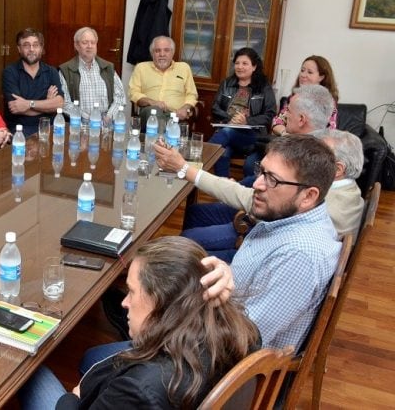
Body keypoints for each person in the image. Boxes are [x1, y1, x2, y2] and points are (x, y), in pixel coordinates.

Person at [18, 237, 259, 409]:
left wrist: (74, 398)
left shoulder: (138, 389)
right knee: (93, 357)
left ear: (161, 301)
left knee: (28, 369)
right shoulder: (245, 335)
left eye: (132, 292)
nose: (124, 302)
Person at [158, 134, 340, 349]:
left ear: (308, 196)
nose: (257, 184)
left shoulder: (300, 254)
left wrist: (175, 325)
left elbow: (246, 339)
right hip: (225, 311)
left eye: (273, 179)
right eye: (261, 172)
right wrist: (226, 271)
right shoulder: (287, 216)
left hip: (217, 351)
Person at [155, 128, 365, 261]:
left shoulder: (303, 248)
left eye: (322, 156)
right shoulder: (349, 194)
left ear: (337, 169)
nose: (312, 159)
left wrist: (183, 168)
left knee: (177, 255)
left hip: (254, 247)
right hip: (256, 242)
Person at [208, 47, 277, 177]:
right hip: (228, 133)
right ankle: (224, 190)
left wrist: (247, 121)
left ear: (254, 66)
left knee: (227, 132)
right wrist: (231, 118)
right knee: (223, 152)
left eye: (245, 63)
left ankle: (204, 155)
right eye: (237, 63)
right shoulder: (227, 83)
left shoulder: (264, 87)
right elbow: (215, 108)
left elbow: (270, 114)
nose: (240, 67)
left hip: (252, 136)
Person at [2, 28, 64, 137]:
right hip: (20, 130)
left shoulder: (51, 71)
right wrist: (47, 105)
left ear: (41, 48)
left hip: (49, 127)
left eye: (35, 45)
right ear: (19, 49)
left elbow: (59, 104)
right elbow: (16, 107)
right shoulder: (10, 72)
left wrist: (28, 104)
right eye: (26, 45)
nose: (31, 49)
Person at [128, 35, 198, 132]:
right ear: (152, 53)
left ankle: (161, 143)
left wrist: (185, 108)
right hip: (149, 113)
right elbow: (133, 92)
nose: (162, 54)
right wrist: (152, 102)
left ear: (172, 52)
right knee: (155, 112)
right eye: (157, 51)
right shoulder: (141, 68)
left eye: (166, 50)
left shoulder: (184, 68)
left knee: (170, 123)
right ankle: (161, 143)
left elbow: (191, 94)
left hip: (175, 114)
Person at [58, 27, 127, 124]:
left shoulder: (108, 68)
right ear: (76, 45)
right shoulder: (66, 70)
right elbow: (64, 103)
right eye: (85, 42)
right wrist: (87, 118)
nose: (89, 46)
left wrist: (109, 116)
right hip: (80, 124)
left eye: (93, 42)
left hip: (107, 123)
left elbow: (120, 97)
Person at [272, 55, 339, 136]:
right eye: (302, 70)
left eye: (310, 72)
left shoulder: (327, 101)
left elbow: (330, 131)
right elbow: (277, 121)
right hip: (290, 141)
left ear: (321, 77)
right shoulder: (294, 97)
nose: (303, 75)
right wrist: (284, 133)